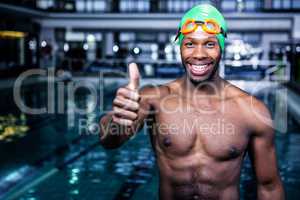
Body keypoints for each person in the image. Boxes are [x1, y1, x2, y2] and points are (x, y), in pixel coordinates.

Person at [99, 4, 285, 200]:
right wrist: (117, 121)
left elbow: (269, 187)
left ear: (221, 47)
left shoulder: (251, 111)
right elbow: (109, 142)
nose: (198, 54)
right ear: (180, 47)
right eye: (190, 44)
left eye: (209, 44)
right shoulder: (154, 99)